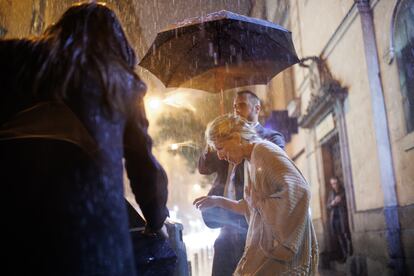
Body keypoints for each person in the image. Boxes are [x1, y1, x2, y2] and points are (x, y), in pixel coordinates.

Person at [0, 3, 168, 275]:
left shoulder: (14, 57)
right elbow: (143, 167)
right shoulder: (122, 83)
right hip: (92, 241)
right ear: (117, 41)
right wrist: (156, 218)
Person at [194, 114, 318, 275]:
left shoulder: (263, 151)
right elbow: (250, 206)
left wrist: (259, 203)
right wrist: (217, 201)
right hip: (267, 248)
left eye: (220, 147)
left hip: (280, 251)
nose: (219, 156)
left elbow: (300, 190)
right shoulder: (251, 159)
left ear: (237, 138)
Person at [198, 90, 285, 276]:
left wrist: (242, 135)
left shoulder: (265, 143)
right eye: (235, 106)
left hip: (254, 225)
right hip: (230, 221)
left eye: (242, 105)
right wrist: (214, 139)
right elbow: (204, 168)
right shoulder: (227, 142)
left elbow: (281, 178)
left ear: (257, 108)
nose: (237, 110)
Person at [327, 176, 352, 261]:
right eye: (333, 184)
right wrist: (332, 203)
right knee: (339, 236)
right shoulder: (331, 193)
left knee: (345, 234)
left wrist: (341, 201)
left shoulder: (344, 191)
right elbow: (328, 206)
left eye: (336, 183)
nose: (335, 185)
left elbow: (349, 202)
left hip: (343, 216)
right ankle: (345, 255)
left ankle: (349, 253)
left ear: (339, 183)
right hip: (335, 218)